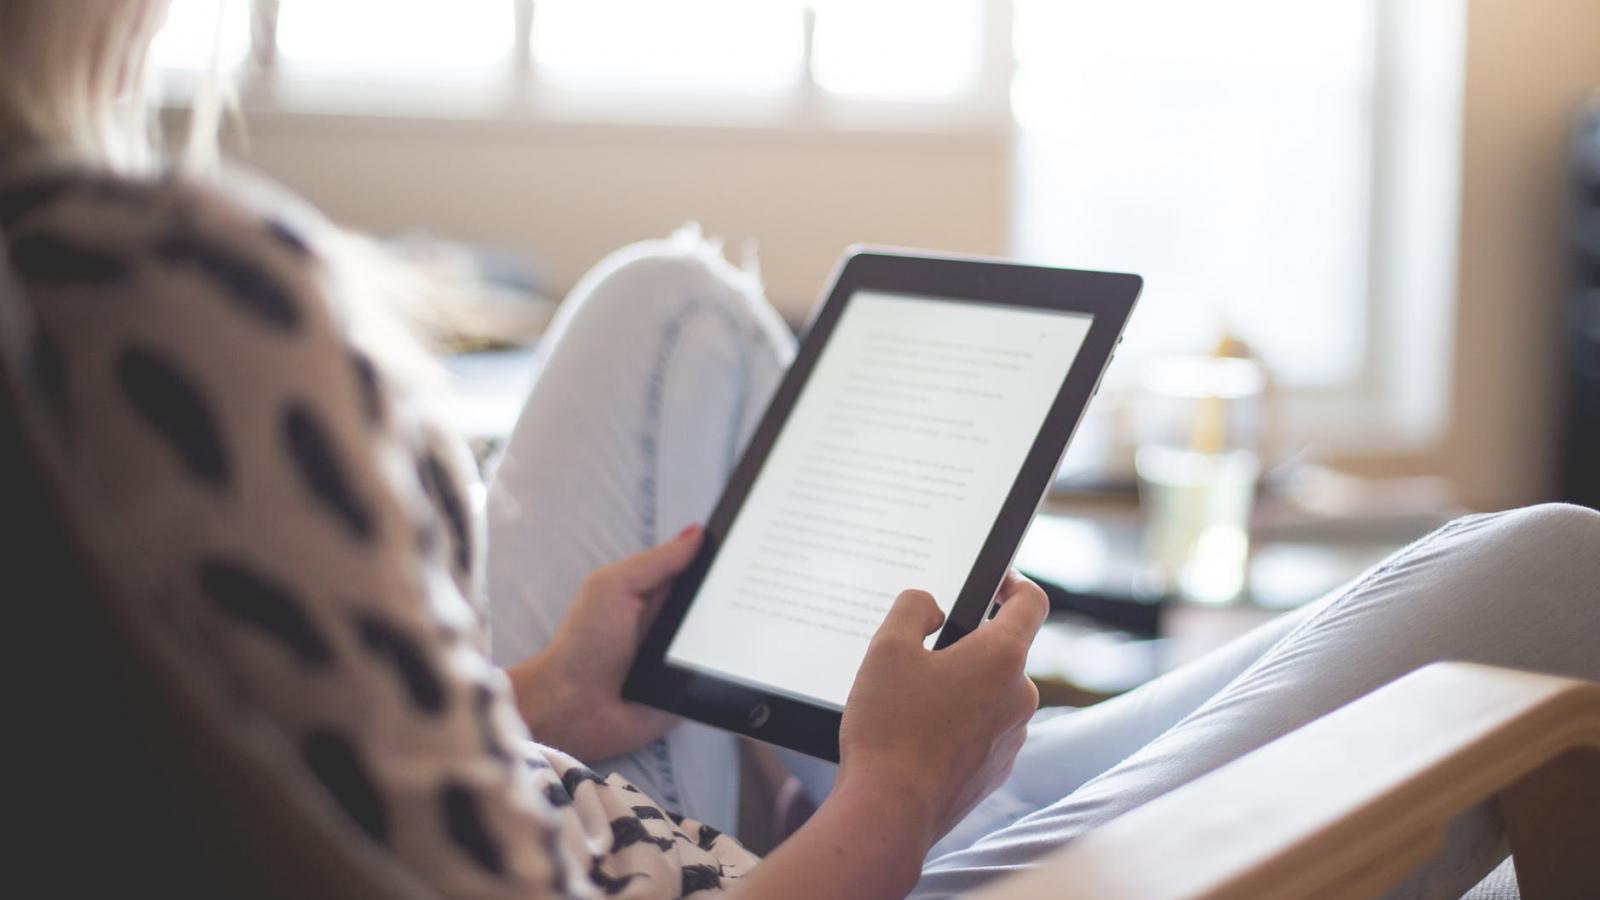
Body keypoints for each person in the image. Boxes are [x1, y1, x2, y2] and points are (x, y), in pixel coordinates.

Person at [1, 4, 1596, 898]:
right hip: (809, 878)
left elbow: (313, 774)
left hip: (602, 803)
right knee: (1558, 574)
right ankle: (915, 781)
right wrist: (885, 809)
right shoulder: (138, 300)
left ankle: (875, 757)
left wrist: (546, 698)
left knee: (673, 307)